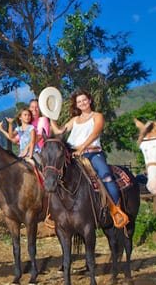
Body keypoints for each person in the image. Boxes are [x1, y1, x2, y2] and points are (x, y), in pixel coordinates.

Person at [50, 90, 128, 227]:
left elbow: (95, 133)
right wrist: (51, 118)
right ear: (77, 105)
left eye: (84, 100)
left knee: (106, 176)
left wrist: (82, 147)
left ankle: (116, 210)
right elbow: (58, 131)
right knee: (56, 175)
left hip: (93, 153)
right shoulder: (74, 120)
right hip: (73, 155)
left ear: (90, 100)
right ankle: (53, 212)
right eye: (79, 101)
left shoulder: (97, 116)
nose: (82, 103)